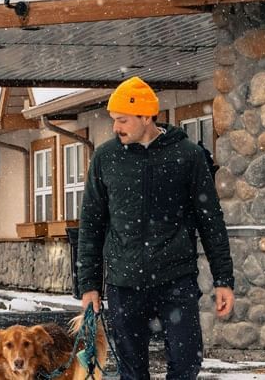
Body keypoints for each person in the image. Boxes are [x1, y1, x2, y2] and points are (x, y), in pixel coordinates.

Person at [77, 76, 235, 380]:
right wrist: (89, 285)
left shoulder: (187, 155)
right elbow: (92, 225)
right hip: (124, 284)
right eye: (114, 120)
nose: (116, 127)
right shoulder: (106, 159)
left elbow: (210, 220)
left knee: (187, 365)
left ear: (146, 117)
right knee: (132, 372)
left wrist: (223, 278)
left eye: (122, 120)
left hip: (175, 280)